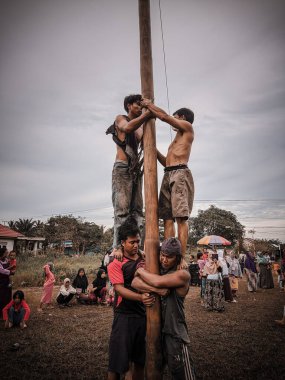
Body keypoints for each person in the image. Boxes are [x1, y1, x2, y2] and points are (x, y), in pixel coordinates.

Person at [132, 237, 196, 380]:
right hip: (156, 332)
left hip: (175, 333)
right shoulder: (157, 269)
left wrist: (141, 271)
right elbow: (134, 282)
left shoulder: (183, 274)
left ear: (178, 258)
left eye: (170, 257)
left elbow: (157, 281)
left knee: (182, 374)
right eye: (162, 255)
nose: (164, 260)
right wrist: (157, 290)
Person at [141, 99, 195, 263]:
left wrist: (149, 105)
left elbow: (163, 116)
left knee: (180, 218)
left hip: (180, 173)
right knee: (167, 218)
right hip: (168, 172)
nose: (173, 120)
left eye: (176, 117)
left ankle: (180, 257)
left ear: (182, 117)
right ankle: (167, 253)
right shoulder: (175, 140)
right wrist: (151, 148)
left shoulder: (187, 128)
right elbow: (167, 162)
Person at [107, 219, 155, 380]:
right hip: (124, 316)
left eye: (138, 242)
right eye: (131, 242)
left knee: (140, 360)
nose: (135, 245)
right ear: (122, 242)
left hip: (142, 316)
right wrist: (141, 297)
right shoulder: (116, 263)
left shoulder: (144, 259)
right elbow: (119, 289)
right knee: (117, 363)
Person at [106, 94, 154, 252]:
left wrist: (149, 115)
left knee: (138, 212)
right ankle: (118, 248)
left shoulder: (142, 124)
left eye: (142, 104)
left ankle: (135, 247)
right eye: (137, 104)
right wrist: (147, 113)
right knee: (122, 212)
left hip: (135, 170)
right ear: (128, 105)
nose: (140, 107)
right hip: (122, 168)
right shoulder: (121, 118)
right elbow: (127, 128)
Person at [0, 247, 13, 314]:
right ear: (2, 253)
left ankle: (6, 311)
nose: (7, 254)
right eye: (6, 253)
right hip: (1, 281)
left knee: (7, 296)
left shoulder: (7, 260)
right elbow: (1, 270)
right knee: (1, 296)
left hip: (7, 280)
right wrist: (10, 272)